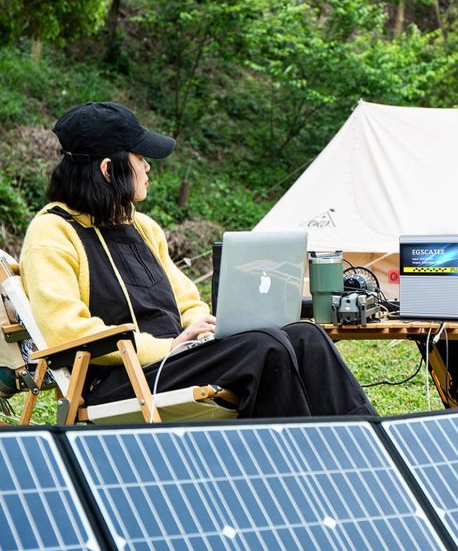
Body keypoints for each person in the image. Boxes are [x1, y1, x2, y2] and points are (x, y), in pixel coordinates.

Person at [20, 101, 376, 419]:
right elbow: (66, 331)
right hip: (119, 379)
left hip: (178, 360)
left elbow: (187, 300)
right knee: (265, 347)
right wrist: (167, 347)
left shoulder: (142, 227)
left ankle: (367, 443)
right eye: (140, 158)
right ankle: (294, 465)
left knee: (304, 336)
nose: (148, 168)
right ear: (108, 169)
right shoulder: (52, 233)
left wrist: (199, 331)